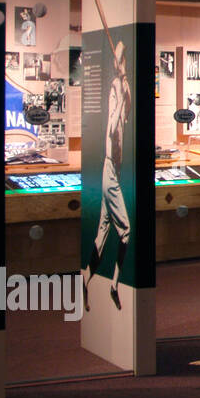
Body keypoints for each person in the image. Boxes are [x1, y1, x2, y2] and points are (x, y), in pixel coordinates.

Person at [83, 40, 131, 310]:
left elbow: (129, 106)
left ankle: (85, 279)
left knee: (103, 232)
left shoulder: (122, 90)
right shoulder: (114, 95)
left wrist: (125, 81)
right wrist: (120, 83)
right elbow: (113, 125)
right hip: (110, 172)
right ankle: (114, 284)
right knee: (125, 231)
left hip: (111, 171)